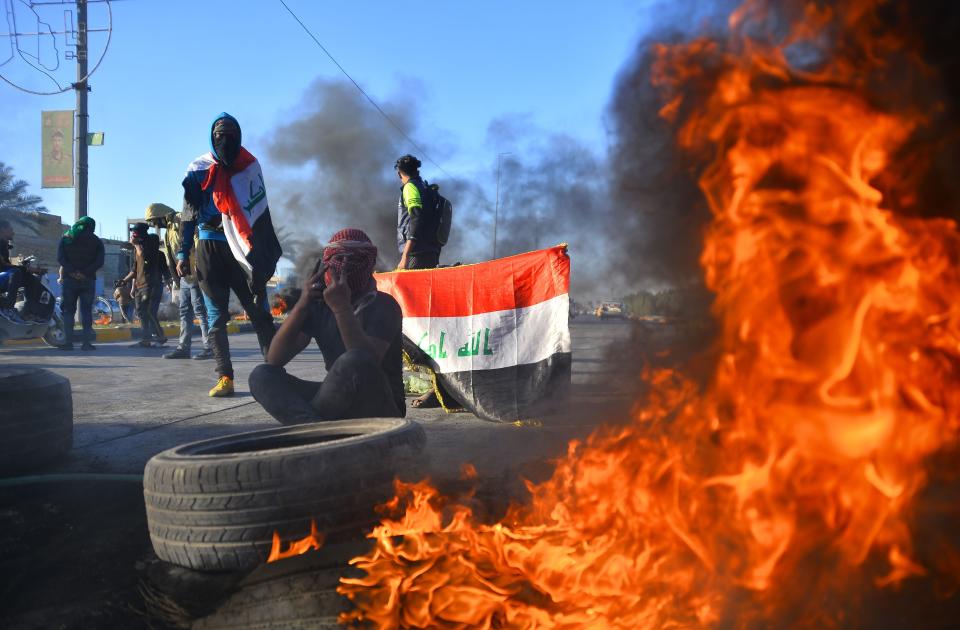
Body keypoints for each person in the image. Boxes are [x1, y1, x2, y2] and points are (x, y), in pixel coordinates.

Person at [249, 229, 405, 425]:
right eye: (338, 258)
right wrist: (303, 304)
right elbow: (274, 358)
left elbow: (365, 363)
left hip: (380, 407)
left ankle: (317, 430)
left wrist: (342, 309)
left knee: (353, 360)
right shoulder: (319, 305)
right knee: (261, 376)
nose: (345, 266)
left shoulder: (384, 305)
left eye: (355, 260)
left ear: (370, 263)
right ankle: (313, 430)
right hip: (336, 400)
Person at [180, 113, 282, 397]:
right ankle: (225, 377)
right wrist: (181, 251)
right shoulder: (197, 169)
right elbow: (188, 214)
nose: (224, 141)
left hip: (242, 248)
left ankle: (274, 372)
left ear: (239, 137)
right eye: (219, 136)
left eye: (230, 136)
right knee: (215, 316)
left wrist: (261, 251)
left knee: (259, 311)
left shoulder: (249, 166)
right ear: (212, 138)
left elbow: (259, 212)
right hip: (209, 248)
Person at [145, 203, 212, 360]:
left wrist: (196, 267)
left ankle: (209, 347)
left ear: (161, 215)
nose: (154, 225)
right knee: (184, 312)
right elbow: (170, 255)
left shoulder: (182, 219)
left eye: (154, 221)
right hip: (184, 278)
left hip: (195, 274)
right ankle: (183, 348)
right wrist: (175, 277)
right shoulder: (168, 231)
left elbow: (197, 240)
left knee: (200, 311)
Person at [57, 216, 105, 351]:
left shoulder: (67, 238)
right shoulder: (96, 241)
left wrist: (72, 272)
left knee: (68, 312)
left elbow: (60, 258)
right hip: (88, 280)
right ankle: (86, 343)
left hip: (69, 280)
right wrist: (84, 273)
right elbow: (99, 261)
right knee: (86, 311)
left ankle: (68, 343)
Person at [121, 223, 168, 348]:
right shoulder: (137, 250)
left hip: (151, 285)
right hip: (139, 286)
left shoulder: (150, 249)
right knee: (141, 313)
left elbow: (144, 256)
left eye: (134, 233)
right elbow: (134, 271)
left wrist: (136, 245)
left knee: (149, 311)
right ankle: (145, 339)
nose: (132, 235)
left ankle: (160, 336)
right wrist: (126, 282)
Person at [395, 154, 442, 271]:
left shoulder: (410, 187)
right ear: (417, 170)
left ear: (399, 173)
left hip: (416, 253)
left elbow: (416, 218)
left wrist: (405, 256)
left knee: (411, 289)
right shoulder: (426, 188)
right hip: (431, 251)